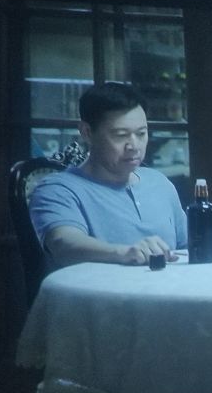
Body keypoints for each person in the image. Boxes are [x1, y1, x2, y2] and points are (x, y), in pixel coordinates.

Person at [29, 82, 187, 270]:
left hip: (170, 286)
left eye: (141, 134)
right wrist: (124, 253)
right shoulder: (58, 190)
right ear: (87, 133)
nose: (134, 146)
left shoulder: (159, 183)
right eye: (121, 135)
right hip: (99, 289)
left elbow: (187, 247)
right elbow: (64, 244)